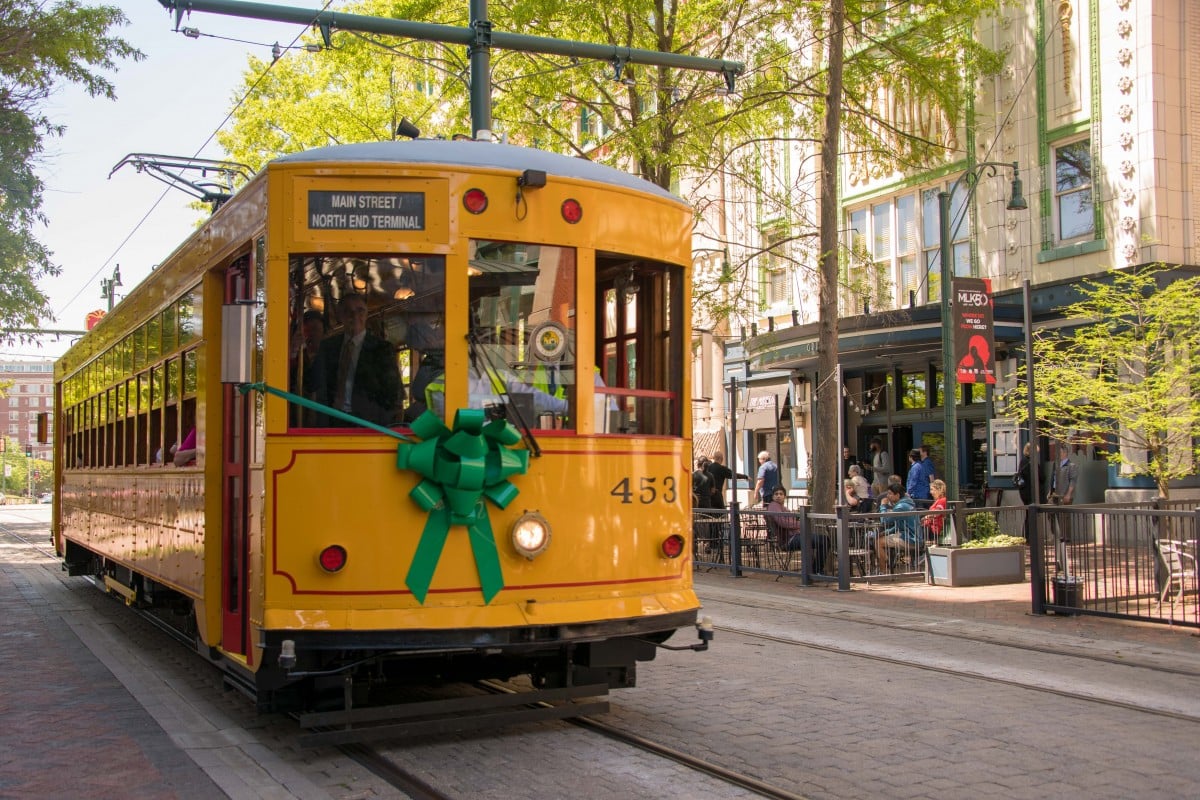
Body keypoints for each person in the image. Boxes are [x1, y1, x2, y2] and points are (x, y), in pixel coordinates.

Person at [311, 293, 403, 427]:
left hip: (369, 424)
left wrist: (386, 425)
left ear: (366, 314)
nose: (354, 316)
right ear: (340, 316)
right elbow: (315, 384)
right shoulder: (328, 347)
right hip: (333, 422)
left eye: (360, 311)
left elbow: (394, 394)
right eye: (348, 311)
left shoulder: (381, 349)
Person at [425, 362, 569, 420]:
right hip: (456, 453)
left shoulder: (499, 376)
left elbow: (533, 397)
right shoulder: (443, 382)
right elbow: (453, 416)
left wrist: (567, 407)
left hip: (502, 449)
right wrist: (503, 404)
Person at [767, 487, 829, 574]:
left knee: (824, 540)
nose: (778, 496)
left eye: (781, 494)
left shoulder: (782, 507)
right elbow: (783, 522)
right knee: (823, 540)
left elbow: (789, 522)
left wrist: (798, 524)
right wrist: (801, 524)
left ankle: (815, 570)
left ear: (785, 496)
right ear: (772, 497)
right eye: (776, 494)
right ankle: (816, 571)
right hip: (789, 540)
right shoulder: (774, 505)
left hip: (796, 536)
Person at [291, 308, 327, 426]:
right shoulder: (298, 356)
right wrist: (294, 349)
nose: (312, 335)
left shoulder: (329, 355)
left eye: (316, 330)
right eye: (308, 331)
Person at [1049, 441, 1079, 572]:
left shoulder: (1071, 466)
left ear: (1065, 453)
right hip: (1055, 493)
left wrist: (1068, 494)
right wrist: (1049, 492)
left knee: (1064, 516)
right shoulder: (1056, 464)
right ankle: (1056, 534)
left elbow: (1073, 481)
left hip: (1065, 494)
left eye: (1060, 453)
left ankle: (1065, 537)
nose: (1058, 455)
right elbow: (1053, 479)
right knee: (1051, 513)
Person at [875, 482, 917, 573]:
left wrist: (883, 506)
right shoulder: (906, 503)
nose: (887, 496)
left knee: (878, 542)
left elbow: (884, 521)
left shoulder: (901, 506)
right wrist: (886, 532)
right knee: (880, 538)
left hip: (910, 539)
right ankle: (886, 563)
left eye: (890, 493)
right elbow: (898, 525)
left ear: (897, 495)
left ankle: (883, 570)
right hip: (908, 536)